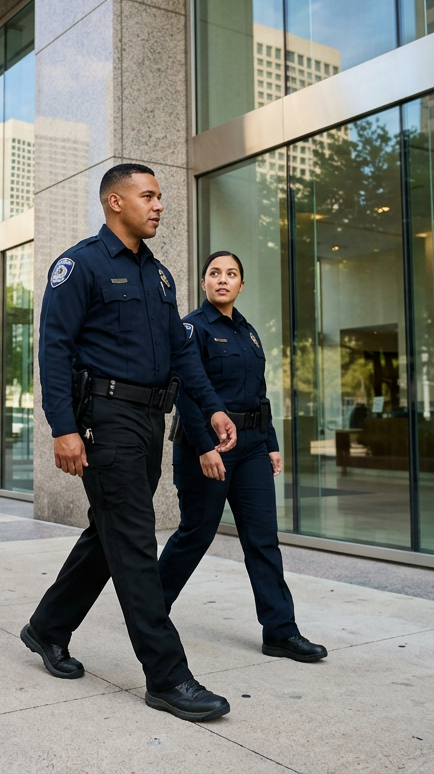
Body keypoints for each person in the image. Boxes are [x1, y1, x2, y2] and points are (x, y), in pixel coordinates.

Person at [20, 163, 239, 722]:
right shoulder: (80, 265)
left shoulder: (160, 277)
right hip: (105, 419)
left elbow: (183, 352)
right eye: (148, 196)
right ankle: (168, 678)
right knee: (137, 545)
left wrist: (212, 406)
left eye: (161, 196)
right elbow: (54, 351)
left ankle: (46, 628)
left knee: (111, 533)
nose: (159, 204)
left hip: (148, 424)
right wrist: (63, 428)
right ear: (115, 202)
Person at [157, 251, 328, 663]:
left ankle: (280, 632)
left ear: (241, 284)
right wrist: (203, 447)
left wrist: (269, 441)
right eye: (214, 273)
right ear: (203, 283)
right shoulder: (191, 329)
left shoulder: (248, 333)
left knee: (263, 538)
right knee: (196, 534)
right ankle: (148, 611)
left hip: (250, 446)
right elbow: (186, 393)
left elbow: (260, 394)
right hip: (209, 445)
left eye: (231, 274)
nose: (222, 280)